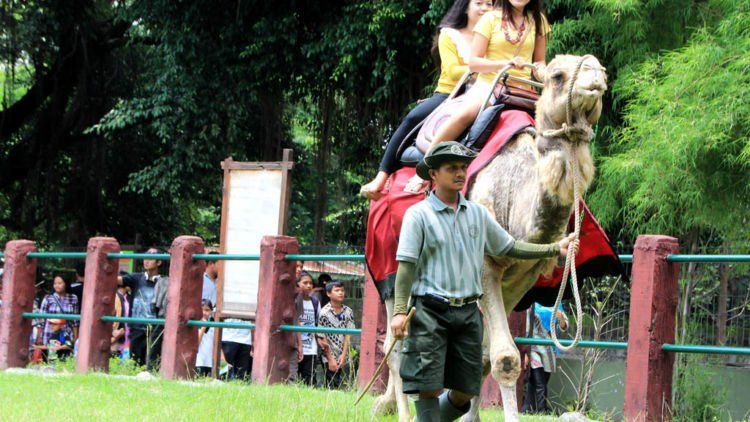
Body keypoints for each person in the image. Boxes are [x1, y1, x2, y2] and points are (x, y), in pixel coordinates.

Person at [390, 141, 577, 421]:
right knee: (428, 388)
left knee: (465, 391)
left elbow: (510, 247)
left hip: (467, 314)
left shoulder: (477, 213)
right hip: (429, 312)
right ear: (433, 175)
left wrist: (553, 249)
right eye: (451, 168)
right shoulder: (418, 216)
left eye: (463, 167)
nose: (460, 173)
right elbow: (406, 268)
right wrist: (399, 312)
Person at [360, 0, 493, 200]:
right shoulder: (449, 34)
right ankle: (381, 177)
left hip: (485, 93)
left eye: (490, 4)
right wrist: (482, 68)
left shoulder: (492, 36)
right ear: (466, 6)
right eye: (479, 3)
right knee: (412, 119)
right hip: (450, 93)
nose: (484, 8)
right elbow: (451, 70)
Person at [426, 0, 550, 152]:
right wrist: (505, 64)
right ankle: (427, 164)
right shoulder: (489, 19)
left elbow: (539, 61)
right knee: (463, 115)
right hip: (490, 86)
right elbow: (474, 63)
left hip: (523, 92)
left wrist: (545, 73)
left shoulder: (539, 21)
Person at [118, 248, 167, 367]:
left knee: (153, 362)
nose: (146, 261)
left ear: (159, 262)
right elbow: (117, 280)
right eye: (145, 258)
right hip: (136, 327)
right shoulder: (137, 278)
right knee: (135, 361)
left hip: (155, 328)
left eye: (150, 259)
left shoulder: (164, 281)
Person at [522, 302, 568, 413]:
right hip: (532, 347)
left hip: (548, 348)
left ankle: (527, 409)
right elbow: (525, 328)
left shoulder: (556, 303)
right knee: (539, 382)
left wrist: (561, 317)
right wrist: (525, 353)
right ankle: (542, 410)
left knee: (539, 382)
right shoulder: (532, 302)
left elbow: (564, 327)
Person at [317, 281, 355, 389]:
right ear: (329, 294)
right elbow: (321, 337)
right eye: (337, 290)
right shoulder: (324, 312)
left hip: (343, 355)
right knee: (331, 385)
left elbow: (349, 335)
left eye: (342, 290)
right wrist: (330, 358)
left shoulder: (348, 312)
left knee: (341, 384)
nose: (340, 293)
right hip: (328, 355)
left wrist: (343, 355)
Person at [295, 272, 324, 386]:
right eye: (305, 283)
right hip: (296, 347)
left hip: (311, 348)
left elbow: (318, 323)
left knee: (309, 381)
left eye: (310, 283)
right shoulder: (295, 301)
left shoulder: (315, 302)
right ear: (298, 284)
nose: (308, 286)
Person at [37, 275, 79, 351]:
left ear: (66, 284)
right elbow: (41, 319)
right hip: (50, 333)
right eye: (55, 283)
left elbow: (75, 321)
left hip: (67, 334)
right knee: (52, 356)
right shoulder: (48, 298)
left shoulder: (73, 298)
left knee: (65, 355)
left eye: (60, 283)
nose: (57, 285)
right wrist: (39, 337)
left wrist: (75, 338)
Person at [196, 299, 216, 377]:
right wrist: (203, 327)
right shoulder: (196, 323)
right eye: (201, 310)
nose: (204, 313)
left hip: (209, 362)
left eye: (207, 310)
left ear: (211, 311)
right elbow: (196, 344)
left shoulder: (213, 324)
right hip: (198, 361)